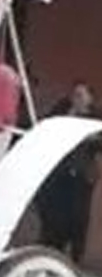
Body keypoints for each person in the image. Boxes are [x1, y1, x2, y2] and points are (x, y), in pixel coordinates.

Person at [36, 81, 100, 263]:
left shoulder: (95, 118)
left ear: (90, 99)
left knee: (78, 217)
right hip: (59, 174)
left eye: (81, 95)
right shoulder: (62, 112)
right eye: (75, 95)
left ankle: (74, 256)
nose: (77, 99)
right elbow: (46, 126)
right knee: (53, 213)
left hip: (81, 177)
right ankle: (49, 248)